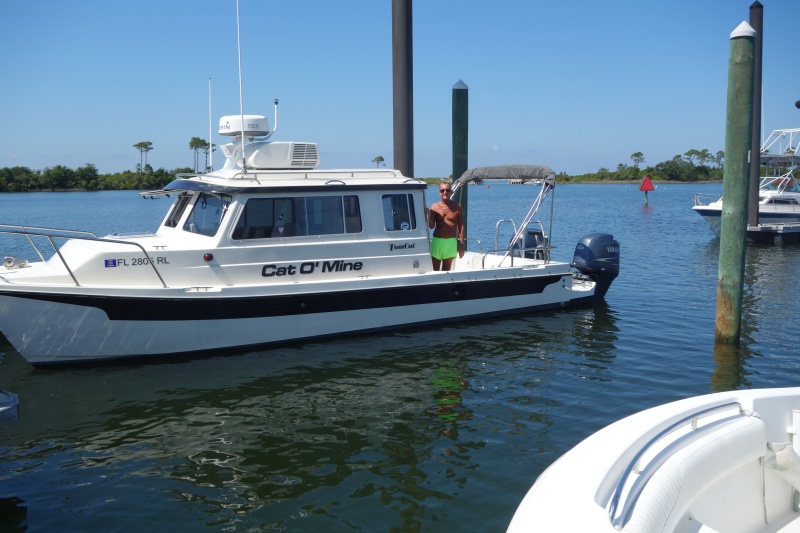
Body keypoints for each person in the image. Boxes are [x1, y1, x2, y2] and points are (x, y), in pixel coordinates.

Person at [428, 183, 465, 271]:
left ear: (451, 192)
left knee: (446, 271)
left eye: (447, 190)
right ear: (439, 193)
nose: (445, 192)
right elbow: (431, 226)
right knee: (435, 270)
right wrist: (428, 215)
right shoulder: (434, 207)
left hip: (450, 242)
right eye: (442, 191)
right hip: (437, 241)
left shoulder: (457, 206)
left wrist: (462, 244)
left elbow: (461, 225)